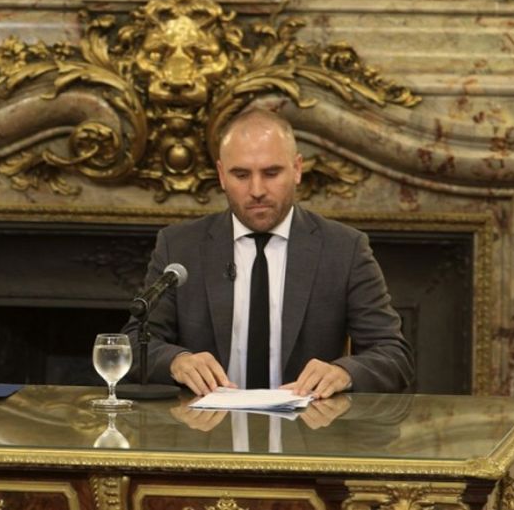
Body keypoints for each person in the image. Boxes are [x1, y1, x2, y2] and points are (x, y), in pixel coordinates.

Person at [123, 108, 414, 398]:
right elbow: (133, 344)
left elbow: (393, 355)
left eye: (271, 173)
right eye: (241, 175)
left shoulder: (344, 249)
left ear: (297, 169)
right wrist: (177, 362)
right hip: (206, 433)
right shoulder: (180, 246)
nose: (257, 190)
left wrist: (344, 373)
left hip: (309, 433)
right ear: (222, 175)